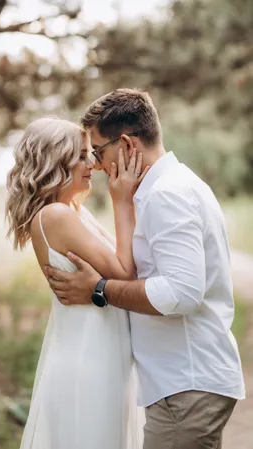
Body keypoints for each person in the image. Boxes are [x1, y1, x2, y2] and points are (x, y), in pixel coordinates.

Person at [45, 88, 246, 449]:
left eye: (98, 151)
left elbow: (180, 294)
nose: (98, 165)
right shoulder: (172, 186)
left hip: (187, 386)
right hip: (186, 383)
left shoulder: (166, 194)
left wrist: (99, 289)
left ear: (125, 144)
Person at [5, 116, 149, 449]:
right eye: (82, 155)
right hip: (88, 365)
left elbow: (124, 266)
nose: (93, 163)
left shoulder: (71, 211)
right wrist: (121, 201)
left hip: (103, 358)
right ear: (54, 160)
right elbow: (125, 274)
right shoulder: (55, 215)